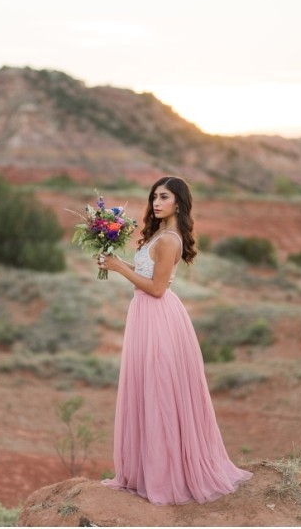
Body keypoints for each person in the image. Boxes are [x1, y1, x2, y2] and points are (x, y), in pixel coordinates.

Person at [97, 176, 252, 505]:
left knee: (161, 392)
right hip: (145, 315)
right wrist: (115, 262)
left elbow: (156, 288)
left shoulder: (169, 240)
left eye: (164, 197)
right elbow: (146, 277)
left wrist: (120, 269)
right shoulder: (157, 234)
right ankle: (147, 470)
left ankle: (168, 476)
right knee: (147, 389)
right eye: (154, 196)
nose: (156, 202)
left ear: (178, 203)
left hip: (158, 317)